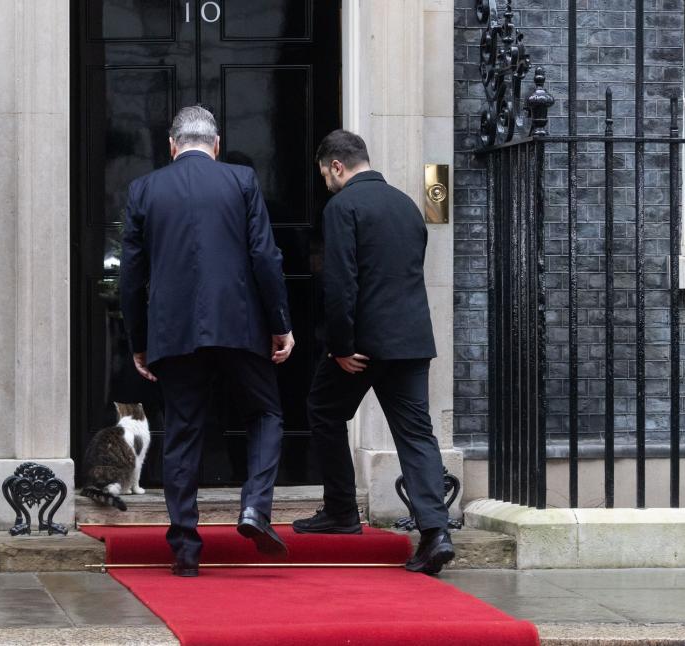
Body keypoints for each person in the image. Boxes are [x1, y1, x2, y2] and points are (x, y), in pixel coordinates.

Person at [120, 105, 295, 577]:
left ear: (172, 146)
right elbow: (265, 256)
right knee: (266, 412)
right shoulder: (241, 181)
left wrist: (138, 339)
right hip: (240, 325)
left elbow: (131, 277)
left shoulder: (144, 189)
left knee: (182, 431)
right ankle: (255, 507)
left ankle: (185, 548)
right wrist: (281, 323)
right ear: (215, 145)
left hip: (173, 332)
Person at [292, 129, 455, 576]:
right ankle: (435, 532)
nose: (326, 181)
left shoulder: (343, 206)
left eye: (325, 173)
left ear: (337, 166)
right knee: (417, 435)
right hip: (411, 341)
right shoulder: (405, 205)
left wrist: (341, 347)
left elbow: (340, 285)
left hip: (362, 345)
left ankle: (341, 511)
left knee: (323, 410)